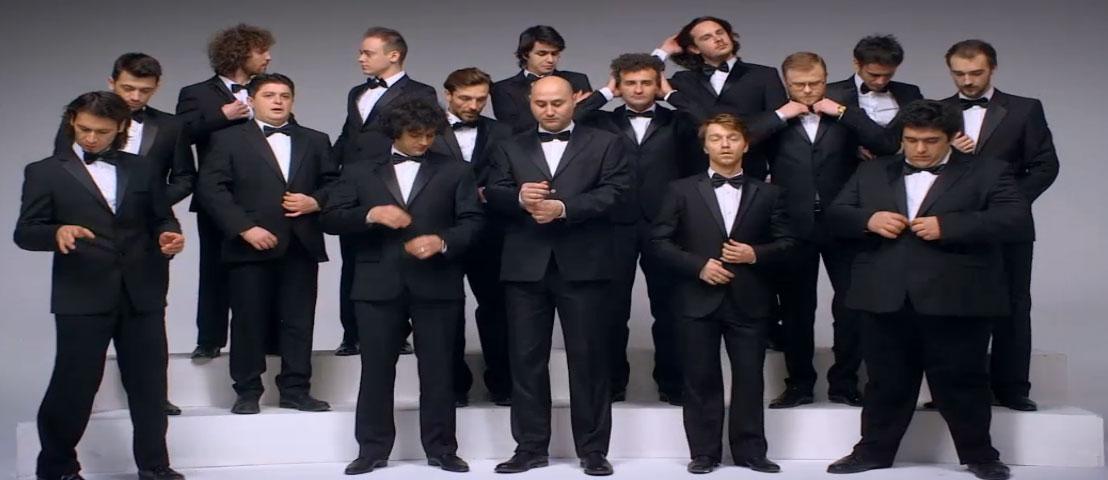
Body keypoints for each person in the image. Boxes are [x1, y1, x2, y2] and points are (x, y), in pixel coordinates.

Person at [825, 99, 1031, 480]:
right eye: (911, 140)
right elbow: (836, 215)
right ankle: (872, 453)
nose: (919, 149)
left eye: (931, 141)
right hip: (885, 294)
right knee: (884, 382)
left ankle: (980, 456)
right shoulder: (871, 170)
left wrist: (949, 226)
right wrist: (868, 220)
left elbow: (1016, 220)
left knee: (964, 381)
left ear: (952, 138)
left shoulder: (989, 170)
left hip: (958, 297)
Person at [16, 91, 186, 480]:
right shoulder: (44, 171)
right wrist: (56, 231)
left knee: (149, 385)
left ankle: (155, 467)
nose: (91, 138)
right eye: (84, 129)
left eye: (101, 132)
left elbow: (162, 217)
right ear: (72, 123)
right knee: (74, 385)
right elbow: (25, 232)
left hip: (142, 290)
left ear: (121, 128)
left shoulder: (142, 168)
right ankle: (57, 468)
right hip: (82, 291)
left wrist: (169, 235)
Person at [321, 98, 483, 475]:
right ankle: (371, 450)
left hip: (437, 283)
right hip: (377, 283)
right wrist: (370, 214)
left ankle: (442, 449)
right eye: (415, 135)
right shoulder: (359, 171)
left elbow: (474, 222)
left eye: (430, 135)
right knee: (376, 370)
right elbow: (330, 218)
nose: (424, 142)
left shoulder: (456, 170)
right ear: (395, 133)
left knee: (439, 370)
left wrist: (442, 241)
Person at [486, 76, 629, 476]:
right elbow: (492, 191)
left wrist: (564, 208)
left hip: (584, 264)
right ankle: (530, 448)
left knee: (590, 360)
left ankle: (593, 450)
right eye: (541, 104)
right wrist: (519, 197)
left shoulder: (607, 142)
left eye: (557, 103)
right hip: (525, 265)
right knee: (525, 360)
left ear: (575, 101)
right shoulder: (509, 144)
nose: (549, 111)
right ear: (529, 103)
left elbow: (618, 192)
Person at [53, 52, 196, 416]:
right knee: (88, 325)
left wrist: (147, 203)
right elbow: (63, 174)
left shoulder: (171, 126)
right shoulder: (83, 120)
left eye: (144, 90)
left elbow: (185, 177)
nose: (134, 97)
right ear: (111, 82)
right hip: (91, 236)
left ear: (157, 87)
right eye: (128, 88)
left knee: (149, 319)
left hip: (148, 233)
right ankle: (79, 401)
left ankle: (153, 397)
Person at [652, 113, 795, 474]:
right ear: (704, 147)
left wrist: (755, 254)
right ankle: (703, 453)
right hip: (696, 297)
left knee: (750, 379)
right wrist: (698, 266)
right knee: (699, 378)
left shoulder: (771, 193)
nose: (725, 145)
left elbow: (790, 244)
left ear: (746, 144)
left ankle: (751, 452)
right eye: (716, 138)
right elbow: (658, 242)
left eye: (732, 138)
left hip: (751, 298)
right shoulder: (679, 190)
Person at [754, 52, 898, 409]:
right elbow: (742, 140)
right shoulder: (775, 116)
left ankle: (845, 383)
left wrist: (844, 113)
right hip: (792, 225)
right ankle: (799, 385)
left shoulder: (846, 111)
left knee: (851, 306)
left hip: (844, 222)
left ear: (826, 77)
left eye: (815, 83)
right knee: (796, 309)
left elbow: (887, 146)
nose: (808, 91)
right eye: (799, 85)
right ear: (786, 84)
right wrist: (780, 115)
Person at [197, 73, 338, 415]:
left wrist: (316, 201)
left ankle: (296, 390)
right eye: (269, 95)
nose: (277, 101)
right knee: (248, 319)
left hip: (300, 243)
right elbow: (211, 189)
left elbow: (337, 184)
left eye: (284, 95)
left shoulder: (315, 139)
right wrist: (245, 229)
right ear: (251, 101)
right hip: (248, 245)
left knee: (299, 321)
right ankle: (247, 391)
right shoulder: (227, 139)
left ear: (293, 101)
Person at [575, 53, 704, 405]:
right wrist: (604, 93)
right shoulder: (601, 121)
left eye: (646, 82)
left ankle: (672, 384)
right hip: (612, 225)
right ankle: (613, 384)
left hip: (667, 225)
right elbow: (569, 116)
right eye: (630, 83)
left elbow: (710, 122)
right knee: (611, 310)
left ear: (657, 84)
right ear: (619, 85)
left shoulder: (677, 121)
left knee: (671, 308)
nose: (638, 89)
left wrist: (672, 95)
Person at [941, 39, 1059, 412]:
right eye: (959, 74)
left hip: (1009, 226)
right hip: (953, 224)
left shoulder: (1025, 109)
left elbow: (1045, 166)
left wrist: (1007, 206)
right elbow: (919, 163)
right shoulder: (938, 111)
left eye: (976, 73)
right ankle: (954, 390)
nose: (967, 81)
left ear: (992, 68)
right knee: (952, 307)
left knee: (1013, 306)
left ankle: (1012, 389)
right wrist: (949, 153)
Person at [332, 26, 437, 357]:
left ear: (393, 55)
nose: (360, 58)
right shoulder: (356, 92)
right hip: (355, 185)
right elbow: (349, 138)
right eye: (361, 52)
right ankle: (352, 334)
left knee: (397, 259)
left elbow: (423, 139)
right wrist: (327, 174)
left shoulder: (421, 92)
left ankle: (398, 333)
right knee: (352, 260)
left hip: (395, 184)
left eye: (367, 52)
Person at [176, 23, 275, 359]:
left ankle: (266, 339)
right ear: (240, 52)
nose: (268, 57)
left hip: (263, 194)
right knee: (214, 270)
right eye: (261, 51)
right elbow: (181, 134)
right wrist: (222, 114)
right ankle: (210, 339)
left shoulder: (268, 89)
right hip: (217, 194)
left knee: (265, 271)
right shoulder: (196, 93)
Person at [428, 67, 515, 407]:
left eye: (481, 99)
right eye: (465, 98)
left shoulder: (503, 131)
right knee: (446, 311)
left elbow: (513, 174)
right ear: (447, 95)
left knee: (497, 309)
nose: (474, 105)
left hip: (490, 232)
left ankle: (503, 385)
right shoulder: (426, 130)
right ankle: (453, 387)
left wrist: (491, 192)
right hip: (441, 230)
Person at [651, 15, 787, 180]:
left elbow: (778, 125)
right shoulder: (684, 79)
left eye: (720, 32)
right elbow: (641, 83)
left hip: (752, 172)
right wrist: (663, 51)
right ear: (694, 48)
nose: (718, 39)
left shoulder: (764, 75)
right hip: (695, 175)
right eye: (707, 37)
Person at [825, 34, 923, 161]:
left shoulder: (910, 93)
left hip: (899, 167)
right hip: (848, 169)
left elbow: (923, 130)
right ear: (856, 64)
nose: (881, 81)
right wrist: (851, 148)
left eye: (888, 75)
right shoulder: (830, 94)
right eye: (874, 75)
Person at [491, 25, 592, 133]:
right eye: (542, 54)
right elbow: (515, 129)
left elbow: (588, 120)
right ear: (525, 54)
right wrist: (573, 109)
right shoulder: (502, 89)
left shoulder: (577, 80)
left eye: (554, 54)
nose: (550, 60)